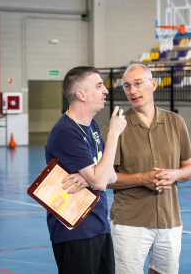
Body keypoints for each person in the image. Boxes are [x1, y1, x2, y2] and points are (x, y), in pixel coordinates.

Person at [102, 63, 191, 274]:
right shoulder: (116, 127)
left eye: (137, 83)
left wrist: (175, 174)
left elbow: (188, 168)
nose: (132, 91)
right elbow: (105, 179)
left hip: (169, 220)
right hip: (130, 223)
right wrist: (142, 178)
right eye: (127, 86)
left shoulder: (176, 122)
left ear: (153, 84)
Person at [45, 66, 126, 274]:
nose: (106, 90)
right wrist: (115, 134)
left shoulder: (92, 127)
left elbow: (110, 176)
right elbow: (100, 181)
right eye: (99, 86)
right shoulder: (66, 132)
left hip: (99, 225)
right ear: (81, 94)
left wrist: (90, 178)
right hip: (76, 232)